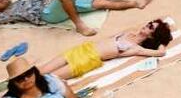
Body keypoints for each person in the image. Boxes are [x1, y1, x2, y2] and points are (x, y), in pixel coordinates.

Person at [37, 18, 173, 79]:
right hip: (82, 49)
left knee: (47, 78)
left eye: (151, 27)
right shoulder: (130, 32)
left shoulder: (136, 48)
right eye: (149, 23)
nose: (147, 25)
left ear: (152, 36)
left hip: (88, 60)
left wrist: (163, 39)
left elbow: (161, 52)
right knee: (41, 70)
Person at [0, 0, 154, 35]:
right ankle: (79, 25)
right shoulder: (6, 14)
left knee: (102, 2)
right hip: (47, 13)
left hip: (59, 3)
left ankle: (136, 3)